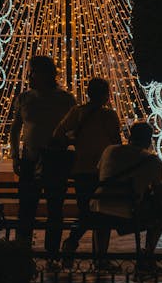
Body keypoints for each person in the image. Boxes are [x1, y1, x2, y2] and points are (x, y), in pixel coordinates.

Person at [10, 55, 77, 266]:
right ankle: (22, 251)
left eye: (34, 71)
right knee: (27, 206)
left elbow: (74, 128)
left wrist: (64, 143)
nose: (31, 76)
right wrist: (15, 154)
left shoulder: (65, 99)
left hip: (55, 159)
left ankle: (52, 253)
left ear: (47, 74)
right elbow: (15, 127)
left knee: (55, 207)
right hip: (30, 158)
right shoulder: (25, 98)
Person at [52, 77, 122, 267]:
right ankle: (98, 256)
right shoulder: (109, 116)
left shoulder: (78, 112)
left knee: (86, 211)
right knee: (102, 213)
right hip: (104, 171)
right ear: (106, 95)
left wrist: (74, 142)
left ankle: (73, 243)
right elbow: (116, 143)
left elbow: (58, 134)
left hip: (81, 169)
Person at [89, 120, 162, 274]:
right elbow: (160, 196)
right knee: (161, 212)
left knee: (104, 210)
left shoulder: (109, 151)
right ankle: (147, 256)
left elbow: (99, 176)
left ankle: (101, 258)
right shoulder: (152, 161)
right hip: (128, 213)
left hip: (98, 209)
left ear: (130, 136)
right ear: (149, 140)